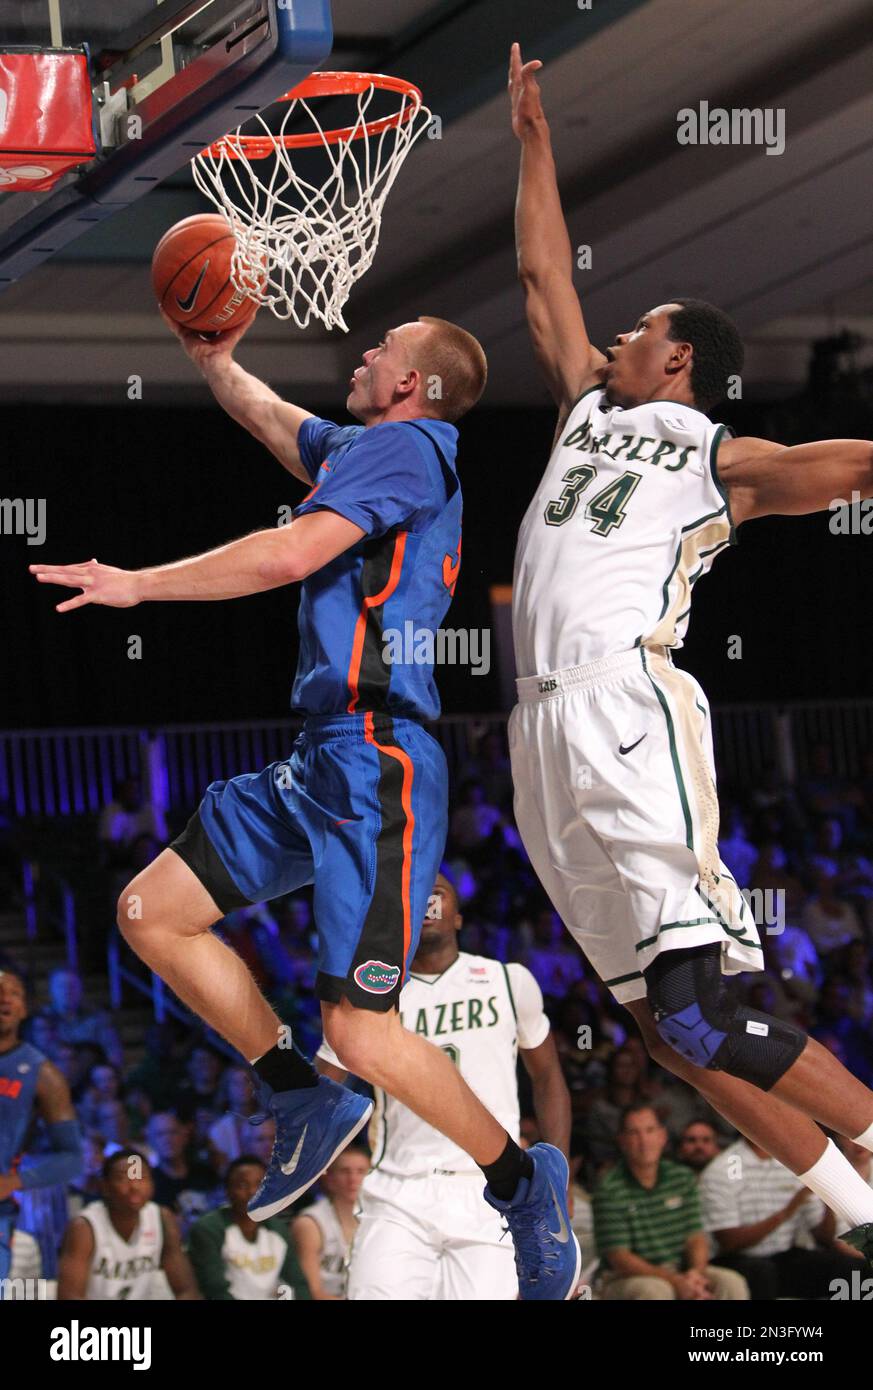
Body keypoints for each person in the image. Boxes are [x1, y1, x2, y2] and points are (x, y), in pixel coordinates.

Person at [31, 304, 578, 1299]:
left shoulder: (412, 448)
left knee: (362, 1032)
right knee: (150, 910)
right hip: (320, 754)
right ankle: (296, 1093)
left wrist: (139, 587)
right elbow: (282, 426)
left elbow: (286, 556)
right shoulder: (375, 449)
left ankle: (522, 1184)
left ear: (416, 384)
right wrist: (218, 361)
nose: (364, 354)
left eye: (384, 349)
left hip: (378, 762)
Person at [506, 40, 873, 1262]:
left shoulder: (723, 457)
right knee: (666, 1037)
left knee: (700, 1017)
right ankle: (864, 1209)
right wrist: (534, 142)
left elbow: (857, 466)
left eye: (642, 326)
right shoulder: (584, 407)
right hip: (536, 728)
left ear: (681, 362)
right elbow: (542, 270)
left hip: (628, 706)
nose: (616, 328)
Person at [317, 873, 572, 1300]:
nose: (430, 898)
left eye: (441, 891)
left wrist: (554, 1184)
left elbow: (547, 1077)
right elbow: (323, 1084)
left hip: (491, 1185)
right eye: (419, 892)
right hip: (398, 1186)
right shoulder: (371, 996)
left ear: (458, 917)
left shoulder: (508, 981)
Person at [592, 1104, 748, 1301]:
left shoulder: (681, 1177)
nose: (644, 1141)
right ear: (622, 1140)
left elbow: (695, 1237)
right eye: (634, 1133)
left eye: (650, 1131)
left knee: (731, 1282)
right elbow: (620, 1258)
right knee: (656, 1292)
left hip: (680, 1268)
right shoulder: (609, 1188)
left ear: (662, 1136)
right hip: (623, 1278)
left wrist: (696, 1274)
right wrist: (675, 1281)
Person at [0, 967, 83, 1295]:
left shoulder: (41, 1074)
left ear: (25, 1008)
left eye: (14, 993)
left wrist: (14, 1181)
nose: (4, 998)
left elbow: (73, 1158)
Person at [700, 1136, 862, 1299]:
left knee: (849, 1267)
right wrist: (787, 1211)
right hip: (737, 1259)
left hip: (783, 1255)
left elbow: (823, 1238)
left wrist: (828, 1202)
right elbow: (730, 1242)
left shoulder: (794, 1163)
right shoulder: (721, 1169)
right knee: (762, 1272)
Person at [58, 1149, 199, 1300]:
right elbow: (69, 1296)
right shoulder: (84, 1227)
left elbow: (186, 1290)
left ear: (152, 1184)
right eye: (123, 1178)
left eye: (141, 1177)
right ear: (105, 1186)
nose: (134, 1186)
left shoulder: (162, 1218)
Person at [189, 1155, 310, 1301]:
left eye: (259, 1184)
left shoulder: (279, 1230)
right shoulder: (208, 1229)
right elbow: (214, 1289)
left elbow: (297, 1284)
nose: (252, 1191)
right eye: (242, 1185)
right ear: (227, 1190)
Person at [291, 1145, 370, 1300]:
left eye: (361, 1171)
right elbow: (312, 1292)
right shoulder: (310, 1223)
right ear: (329, 1177)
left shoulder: (379, 1220)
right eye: (345, 1171)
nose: (353, 1179)